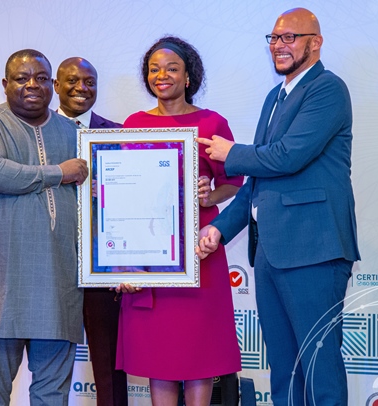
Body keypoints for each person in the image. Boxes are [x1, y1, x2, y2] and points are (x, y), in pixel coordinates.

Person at [196, 8, 360, 406]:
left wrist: (231, 153)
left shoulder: (327, 89)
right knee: (284, 370)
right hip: (270, 251)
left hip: (314, 248)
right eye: (273, 38)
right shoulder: (275, 97)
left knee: (319, 369)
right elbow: (259, 177)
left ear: (315, 43)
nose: (278, 45)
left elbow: (288, 156)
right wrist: (220, 228)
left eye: (289, 37)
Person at [116, 36, 243, 406]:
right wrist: (121, 260)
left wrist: (210, 196)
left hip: (200, 252)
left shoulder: (211, 122)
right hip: (148, 251)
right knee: (160, 351)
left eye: (172, 68)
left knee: (199, 351)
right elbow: (122, 193)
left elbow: (233, 182)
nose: (162, 75)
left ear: (188, 76)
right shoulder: (133, 124)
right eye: (154, 69)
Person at [0, 49, 88, 405]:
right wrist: (59, 173)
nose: (32, 85)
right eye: (22, 78)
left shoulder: (74, 133)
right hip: (1, 284)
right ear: (5, 84)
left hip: (59, 283)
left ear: (53, 85)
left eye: (41, 78)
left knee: (52, 395)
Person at [54, 56, 128, 406]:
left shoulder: (118, 133)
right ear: (56, 85)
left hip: (103, 264)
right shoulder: (36, 133)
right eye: (72, 80)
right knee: (50, 364)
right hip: (54, 263)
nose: (81, 88)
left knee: (110, 364)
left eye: (89, 82)